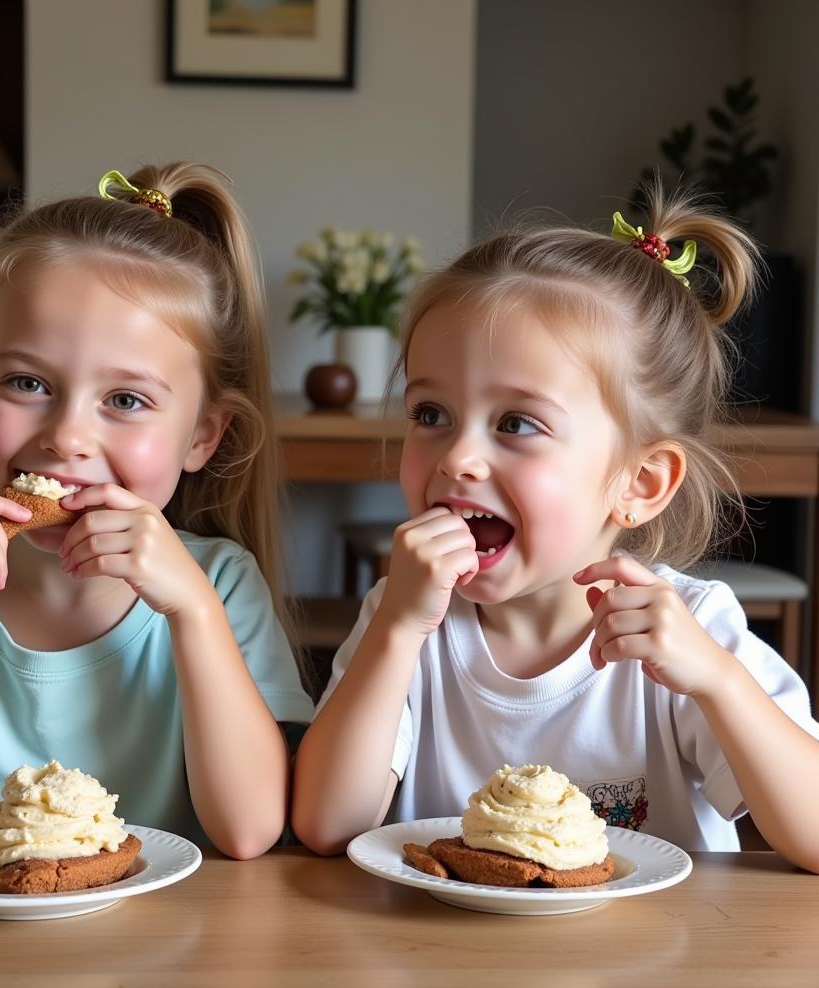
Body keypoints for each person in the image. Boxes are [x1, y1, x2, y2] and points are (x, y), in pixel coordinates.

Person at [0, 163, 313, 863]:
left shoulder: (217, 584)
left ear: (201, 435)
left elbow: (251, 831)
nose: (67, 436)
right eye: (27, 383)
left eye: (125, 400)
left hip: (155, 961)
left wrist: (193, 615)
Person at [292, 190, 819, 872]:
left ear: (640, 484)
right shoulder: (408, 622)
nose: (456, 457)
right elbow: (326, 826)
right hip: (443, 964)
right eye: (430, 413)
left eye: (516, 423)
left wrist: (717, 682)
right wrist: (395, 630)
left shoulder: (690, 630)